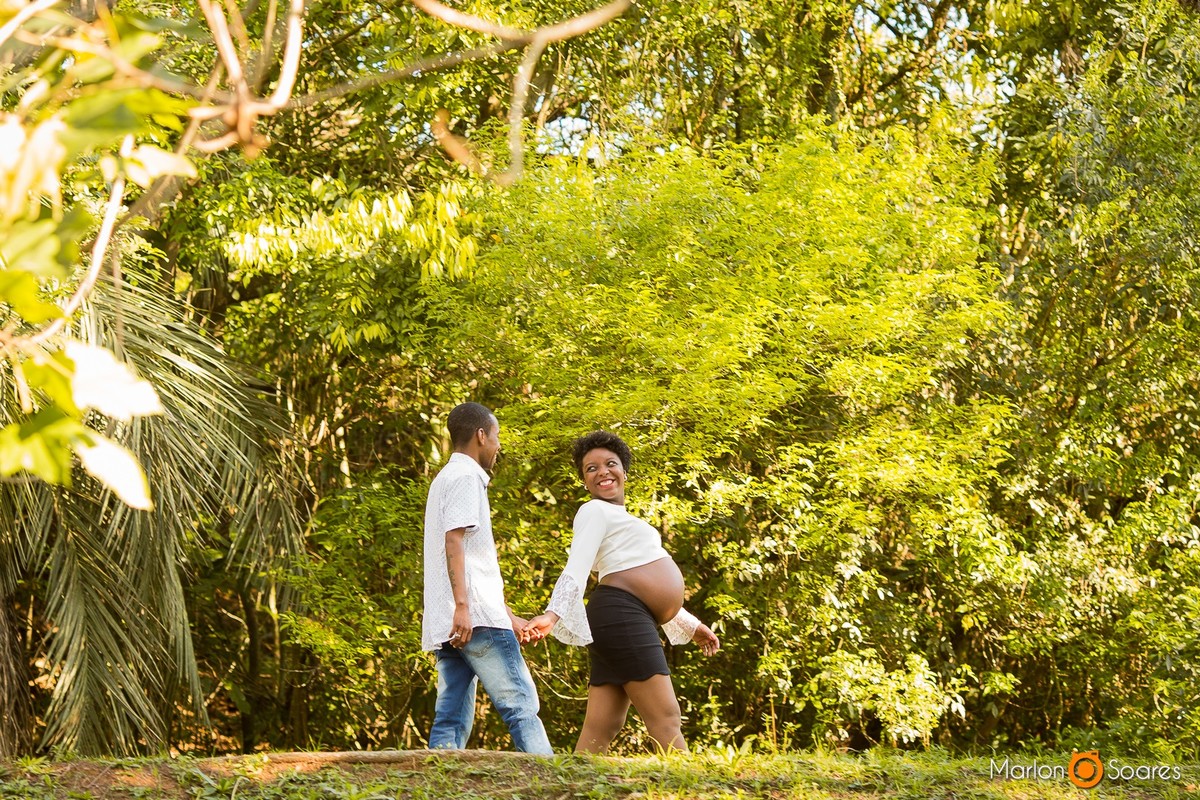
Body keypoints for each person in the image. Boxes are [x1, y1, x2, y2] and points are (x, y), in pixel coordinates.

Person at [523, 430, 720, 753]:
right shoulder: (594, 511)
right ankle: (689, 788)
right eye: (591, 468)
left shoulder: (623, 519)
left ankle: (575, 785)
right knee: (666, 717)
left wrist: (692, 626)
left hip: (618, 615)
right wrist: (552, 615)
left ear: (624, 472)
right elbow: (578, 567)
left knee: (602, 727)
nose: (602, 472)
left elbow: (641, 580)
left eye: (610, 463)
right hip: (621, 615)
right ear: (585, 482)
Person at [421, 402, 553, 754]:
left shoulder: (445, 478)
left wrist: (510, 618)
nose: (497, 446)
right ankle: (551, 781)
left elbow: (475, 563)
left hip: (453, 623)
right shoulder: (466, 478)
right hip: (472, 620)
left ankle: (438, 788)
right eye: (495, 437)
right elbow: (454, 541)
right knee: (521, 706)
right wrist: (464, 607)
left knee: (450, 718)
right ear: (481, 435)